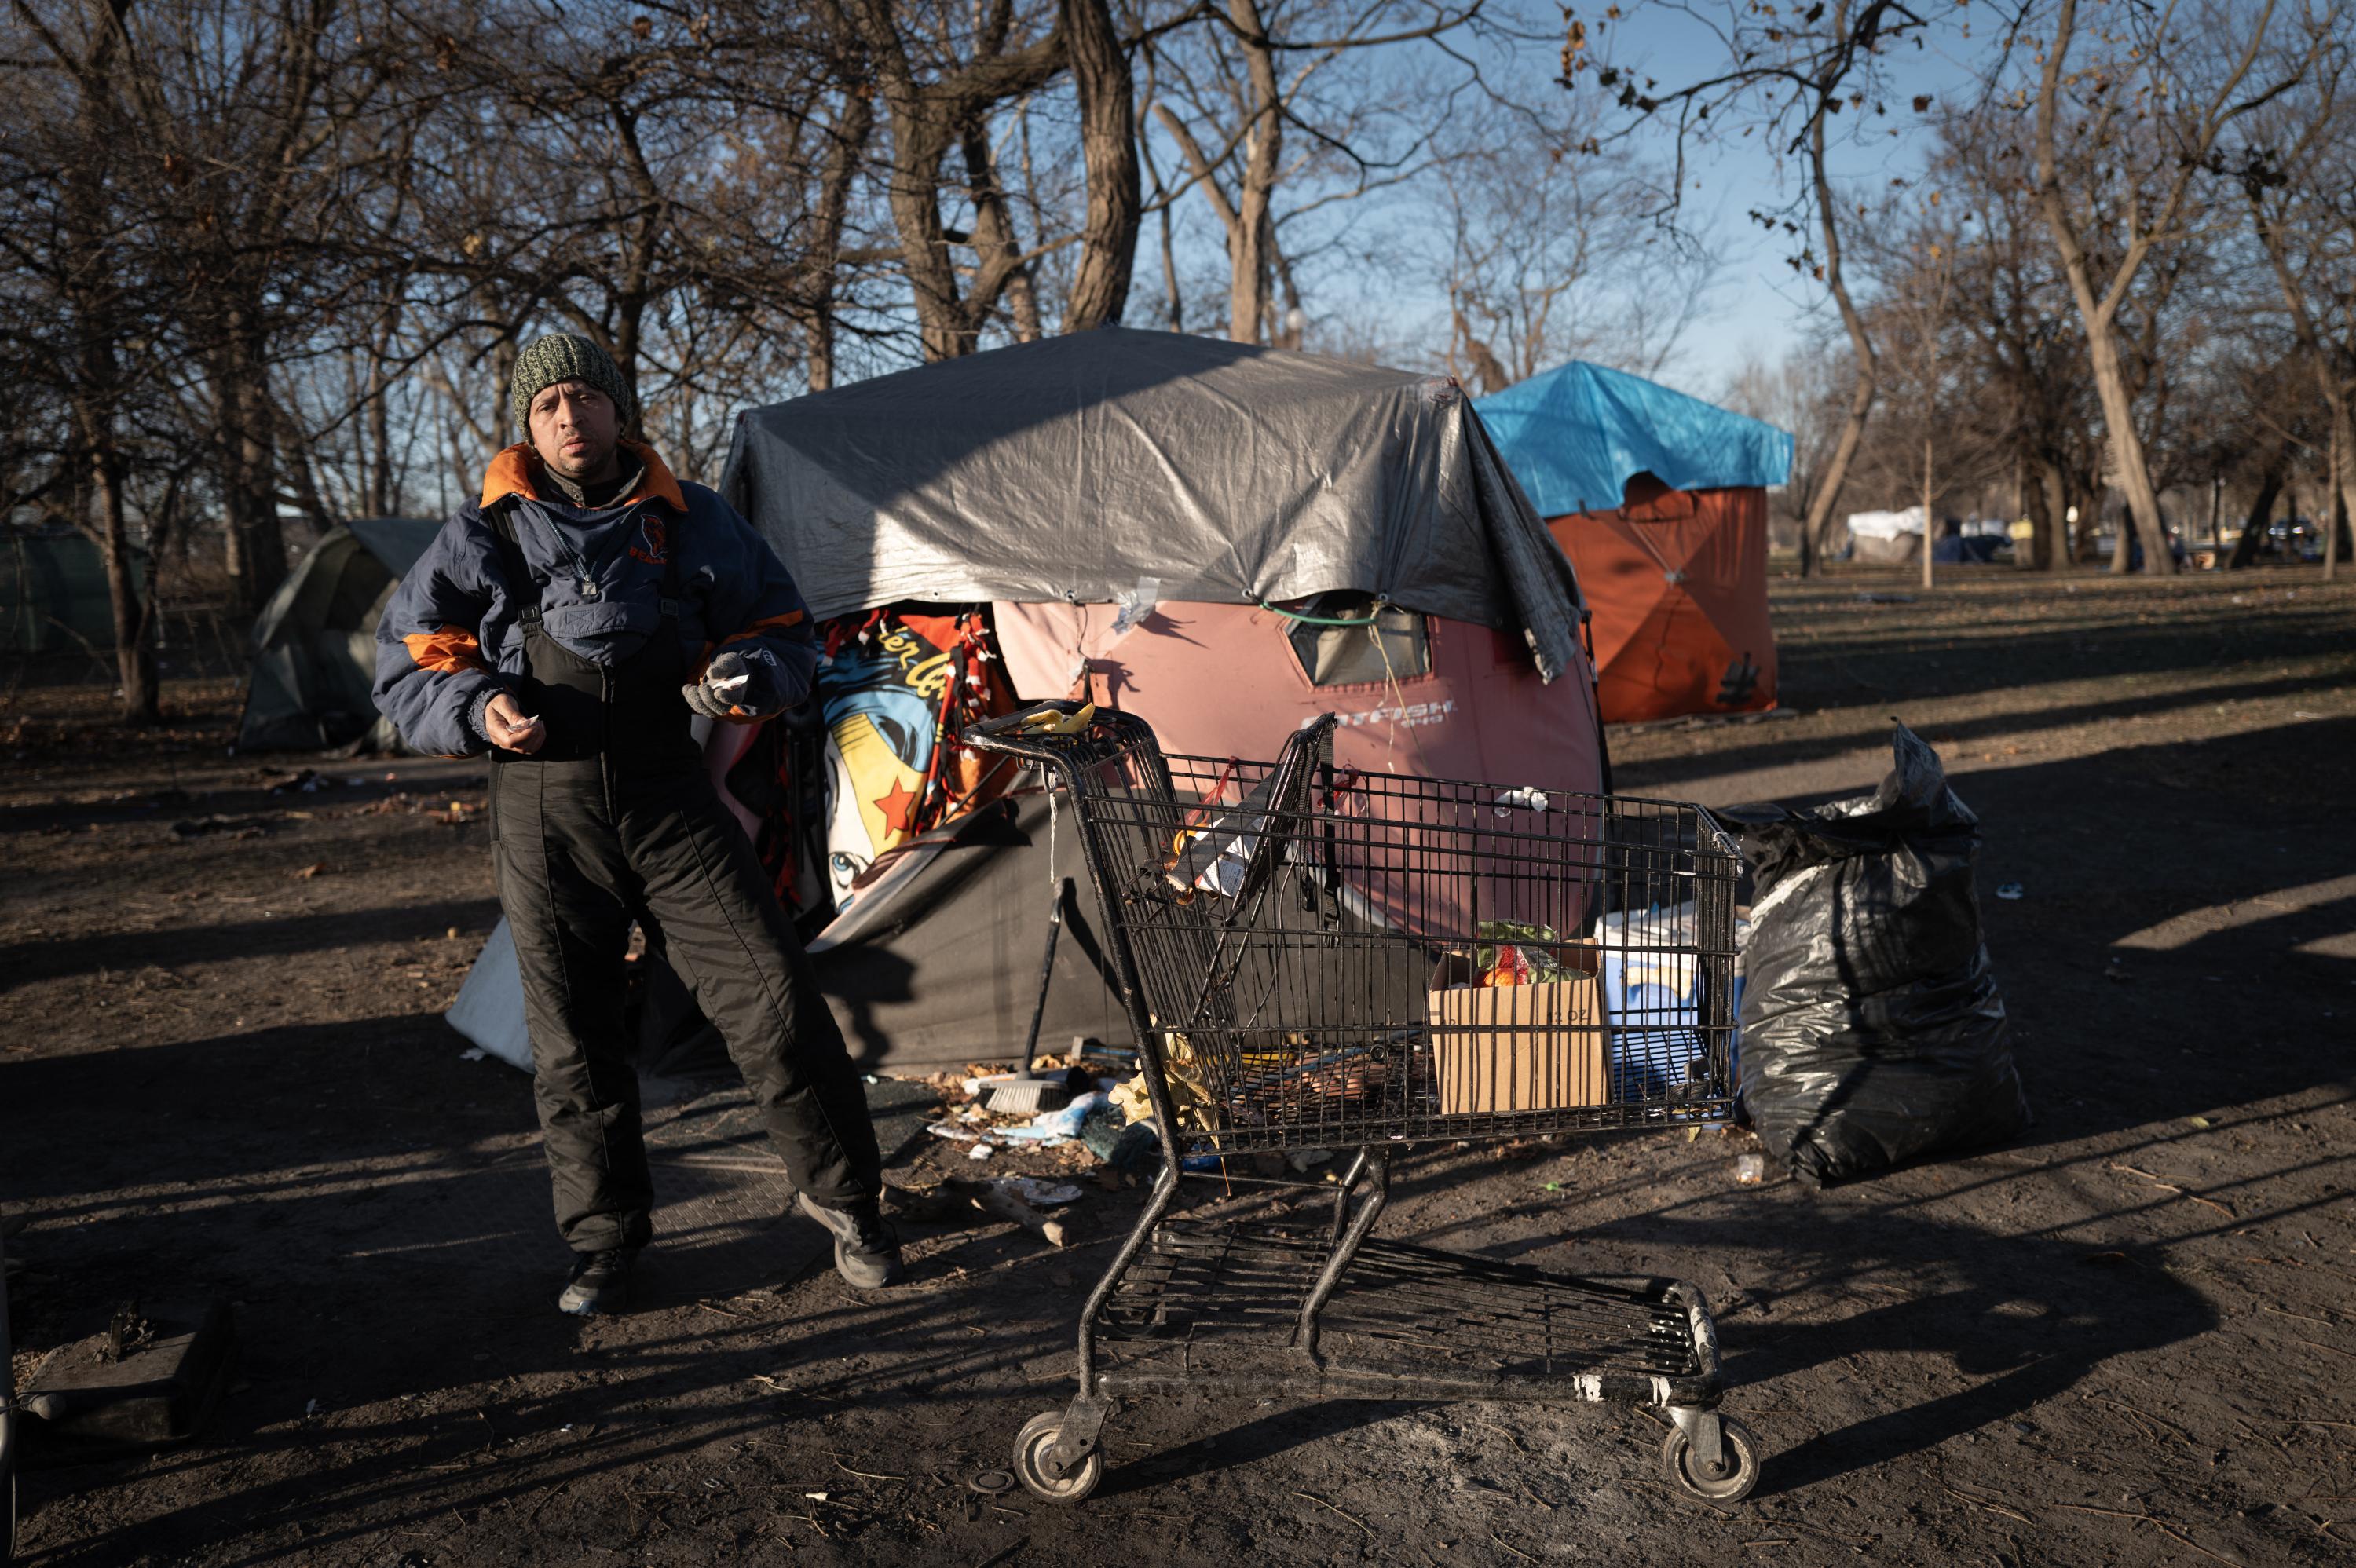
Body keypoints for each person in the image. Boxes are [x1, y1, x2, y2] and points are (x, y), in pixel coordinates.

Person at [374, 332, 898, 1314]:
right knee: (574, 1040)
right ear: (528, 428)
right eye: (546, 406)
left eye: (584, 396)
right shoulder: (482, 533)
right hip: (544, 812)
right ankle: (607, 1240)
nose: (568, 417)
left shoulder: (694, 519)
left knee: (775, 1004)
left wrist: (750, 679)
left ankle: (850, 1203)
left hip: (672, 801)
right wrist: (476, 707)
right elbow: (410, 660)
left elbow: (783, 630)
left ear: (620, 410)